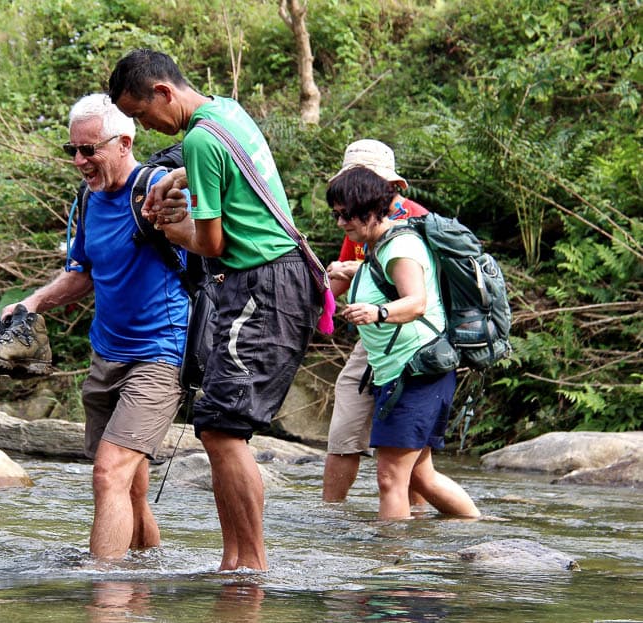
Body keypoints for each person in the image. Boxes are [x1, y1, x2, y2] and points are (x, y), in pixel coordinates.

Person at [109, 49, 319, 570]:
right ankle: (238, 561)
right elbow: (215, 162)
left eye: (139, 114)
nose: (145, 126)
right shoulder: (224, 112)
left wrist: (164, 226)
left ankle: (248, 565)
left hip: (260, 287)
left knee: (223, 429)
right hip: (275, 282)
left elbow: (210, 242)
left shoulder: (200, 140)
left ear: (163, 93)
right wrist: (170, 181)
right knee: (217, 425)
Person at [0, 93, 189, 561]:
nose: (80, 160)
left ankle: (104, 595)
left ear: (124, 142)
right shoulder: (87, 201)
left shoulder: (159, 188)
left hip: (162, 352)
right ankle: (142, 586)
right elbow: (83, 272)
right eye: (72, 150)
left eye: (89, 149)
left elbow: (210, 243)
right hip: (107, 356)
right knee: (132, 487)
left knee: (108, 473)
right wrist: (32, 302)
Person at [327, 165, 480, 520]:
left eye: (345, 214)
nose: (340, 224)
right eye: (336, 215)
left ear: (368, 208)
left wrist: (377, 313)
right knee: (421, 476)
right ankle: (474, 527)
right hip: (400, 373)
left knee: (390, 479)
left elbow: (416, 302)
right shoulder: (375, 248)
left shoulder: (401, 246)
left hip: (416, 372)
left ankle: (391, 564)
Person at [321, 140, 428, 503]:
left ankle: (417, 530)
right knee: (343, 434)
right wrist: (322, 281)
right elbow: (337, 286)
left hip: (413, 344)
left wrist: (362, 269)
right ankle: (329, 522)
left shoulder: (416, 221)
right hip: (372, 342)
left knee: (412, 464)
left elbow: (421, 298)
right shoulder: (355, 219)